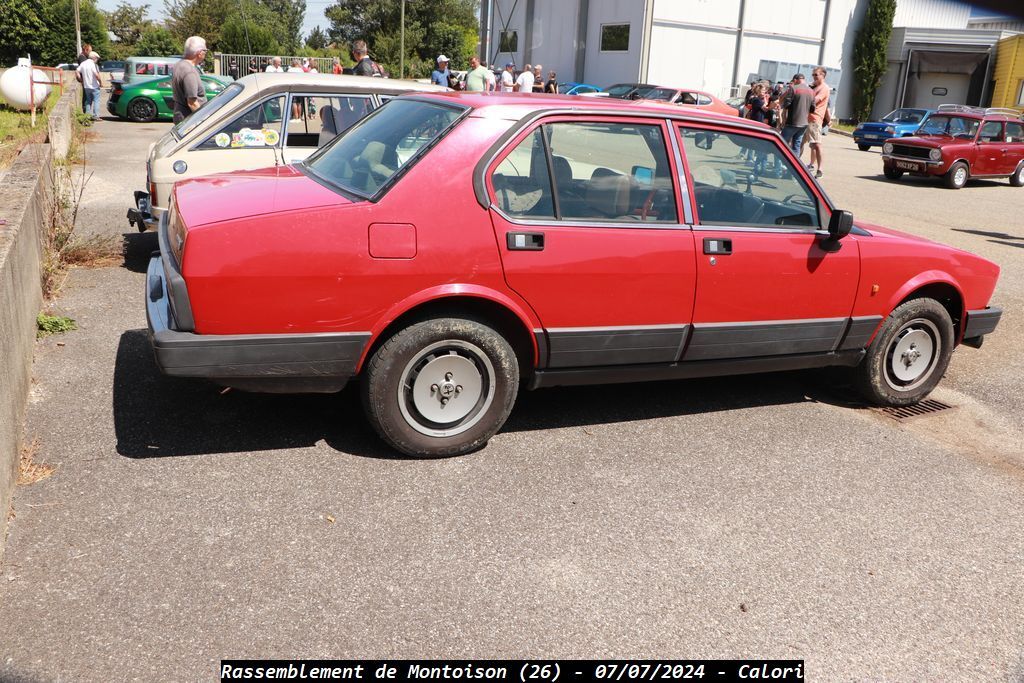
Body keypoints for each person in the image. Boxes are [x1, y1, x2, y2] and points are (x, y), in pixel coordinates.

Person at [170, 36, 208, 124]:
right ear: (200, 53)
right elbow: (192, 102)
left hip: (180, 115)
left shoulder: (179, 64)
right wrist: (203, 122)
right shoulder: (189, 72)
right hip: (189, 120)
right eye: (205, 51)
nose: (205, 53)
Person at [780, 73, 813, 158]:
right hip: (804, 123)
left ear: (795, 80)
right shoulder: (811, 91)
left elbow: (787, 104)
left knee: (782, 144)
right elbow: (813, 108)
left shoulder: (793, 88)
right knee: (796, 146)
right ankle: (794, 167)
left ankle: (778, 167)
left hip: (793, 121)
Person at [806, 66, 830, 178]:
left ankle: (820, 169)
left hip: (814, 119)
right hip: (806, 118)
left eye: (816, 75)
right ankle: (811, 164)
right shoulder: (815, 87)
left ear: (823, 75)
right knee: (804, 143)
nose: (814, 77)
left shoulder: (824, 88)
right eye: (813, 75)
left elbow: (814, 101)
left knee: (817, 144)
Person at [76, 52, 101, 119]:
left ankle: (87, 115)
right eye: (97, 59)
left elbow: (77, 71)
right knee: (96, 100)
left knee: (88, 101)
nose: (97, 60)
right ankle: (96, 116)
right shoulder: (92, 64)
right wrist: (100, 82)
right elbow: (96, 75)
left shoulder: (83, 63)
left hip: (86, 86)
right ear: (94, 58)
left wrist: (80, 79)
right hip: (94, 86)